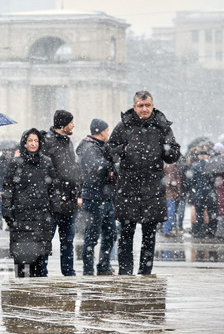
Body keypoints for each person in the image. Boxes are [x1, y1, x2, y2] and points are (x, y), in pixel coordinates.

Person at [105, 90, 180, 275]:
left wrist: (166, 149)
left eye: (147, 105)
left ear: (153, 105)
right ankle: (125, 272)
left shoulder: (162, 126)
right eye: (141, 105)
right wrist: (123, 149)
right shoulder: (124, 126)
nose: (144, 109)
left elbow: (174, 154)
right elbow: (109, 151)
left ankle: (145, 271)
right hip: (128, 188)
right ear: (134, 106)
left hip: (153, 189)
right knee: (126, 234)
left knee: (149, 235)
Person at [1, 129, 57, 277]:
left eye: (36, 141)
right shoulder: (15, 163)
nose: (33, 144)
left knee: (38, 263)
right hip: (21, 218)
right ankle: (21, 295)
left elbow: (53, 189)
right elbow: (8, 189)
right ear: (24, 142)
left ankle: (35, 296)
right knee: (21, 264)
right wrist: (7, 213)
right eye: (30, 141)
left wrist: (51, 211)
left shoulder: (46, 162)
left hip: (41, 218)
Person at [76, 118, 117, 276]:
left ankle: (104, 266)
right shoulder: (89, 148)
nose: (108, 133)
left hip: (106, 197)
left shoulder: (101, 146)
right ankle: (88, 269)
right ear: (100, 132)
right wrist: (112, 164)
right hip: (93, 198)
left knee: (111, 233)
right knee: (92, 236)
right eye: (107, 130)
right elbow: (96, 167)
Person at [42, 109, 80, 276]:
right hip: (54, 200)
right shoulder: (47, 142)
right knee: (47, 240)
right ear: (64, 125)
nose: (73, 125)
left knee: (68, 241)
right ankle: (42, 271)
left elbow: (72, 168)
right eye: (71, 122)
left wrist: (76, 190)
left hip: (69, 200)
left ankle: (69, 271)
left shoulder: (68, 141)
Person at [162, 163, 182, 237]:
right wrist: (176, 186)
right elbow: (170, 180)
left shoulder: (164, 166)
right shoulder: (170, 167)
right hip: (170, 194)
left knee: (166, 212)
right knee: (169, 213)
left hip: (165, 194)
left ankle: (166, 229)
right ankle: (167, 230)